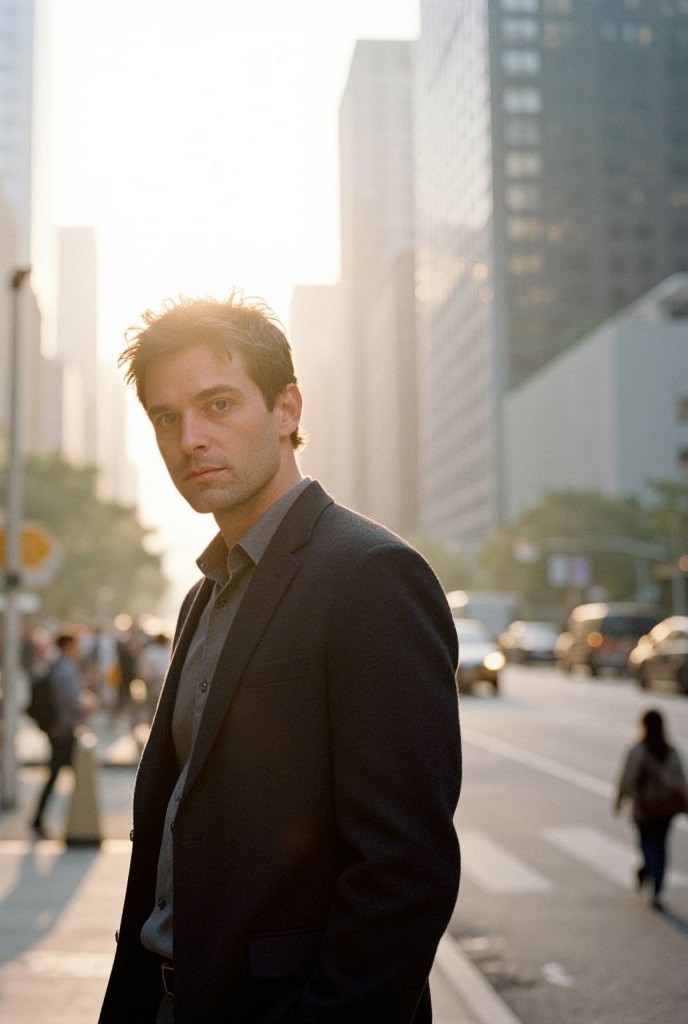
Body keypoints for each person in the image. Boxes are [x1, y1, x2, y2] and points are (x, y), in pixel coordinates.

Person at [99, 295, 461, 1024]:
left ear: (287, 409)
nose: (190, 439)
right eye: (167, 418)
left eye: (218, 405)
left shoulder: (370, 575)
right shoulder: (205, 595)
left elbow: (405, 867)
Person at [614, 707, 688, 912]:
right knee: (660, 846)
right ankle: (656, 886)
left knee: (647, 844)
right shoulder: (670, 751)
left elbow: (627, 778)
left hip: (645, 808)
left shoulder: (639, 750)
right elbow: (681, 781)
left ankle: (648, 872)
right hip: (666, 808)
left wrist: (620, 800)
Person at [30, 631, 93, 839]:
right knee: (63, 774)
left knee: (58, 773)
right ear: (68, 646)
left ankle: (45, 819)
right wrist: (88, 704)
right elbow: (72, 702)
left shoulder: (55, 665)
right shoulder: (66, 668)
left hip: (58, 727)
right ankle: (73, 822)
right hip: (63, 729)